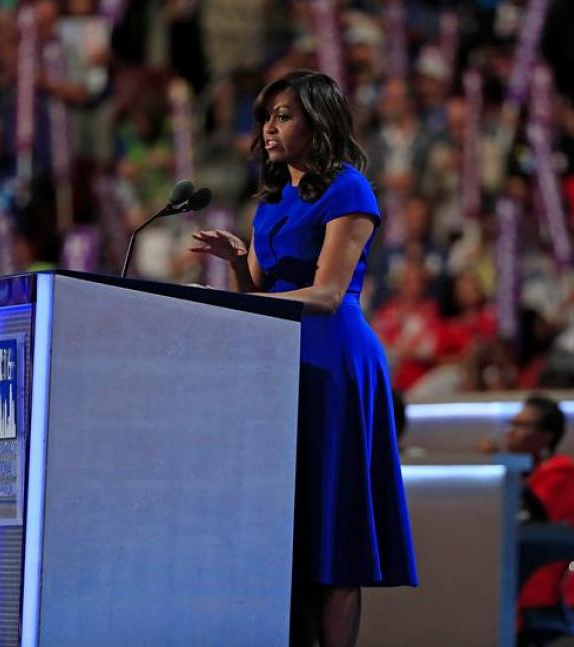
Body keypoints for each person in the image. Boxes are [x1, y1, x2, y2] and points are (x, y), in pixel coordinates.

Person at [190, 70, 417, 647]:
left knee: (335, 535)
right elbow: (256, 297)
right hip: (279, 366)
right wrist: (237, 266)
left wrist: (242, 299)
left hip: (333, 360)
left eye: (284, 115)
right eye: (265, 117)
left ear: (318, 123)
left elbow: (326, 294)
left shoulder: (349, 190)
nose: (269, 128)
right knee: (291, 531)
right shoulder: (272, 201)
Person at [483, 395, 574, 613]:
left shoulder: (562, 468)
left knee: (490, 586)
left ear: (546, 436)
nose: (511, 431)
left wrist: (500, 466)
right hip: (517, 562)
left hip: (552, 569)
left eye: (521, 426)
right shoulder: (521, 472)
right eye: (512, 424)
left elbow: (532, 514)